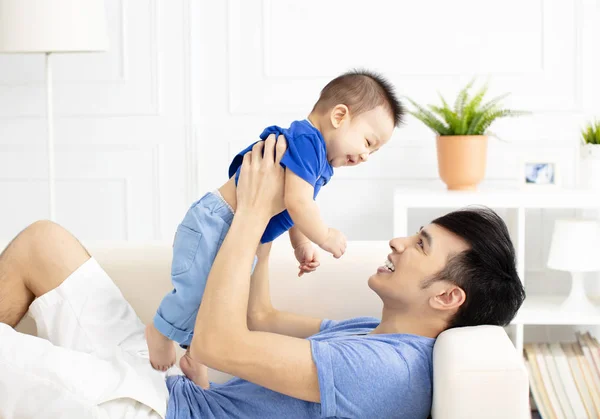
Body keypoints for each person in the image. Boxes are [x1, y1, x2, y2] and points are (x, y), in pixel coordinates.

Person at [0, 135, 525, 419]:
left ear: (447, 296)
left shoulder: (386, 371)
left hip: (157, 410)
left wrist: (249, 212)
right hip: (174, 385)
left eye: (420, 246)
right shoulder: (375, 334)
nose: (397, 243)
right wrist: (271, 226)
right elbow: (260, 318)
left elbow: (218, 341)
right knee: (44, 242)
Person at [146, 69, 404, 376]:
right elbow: (298, 202)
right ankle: (160, 331)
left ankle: (195, 355)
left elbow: (294, 204)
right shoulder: (307, 141)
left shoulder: (316, 156)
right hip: (215, 222)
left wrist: (300, 243)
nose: (366, 156)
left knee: (220, 299)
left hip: (236, 231)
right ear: (339, 116)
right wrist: (324, 236)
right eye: (368, 142)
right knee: (197, 291)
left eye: (374, 151)